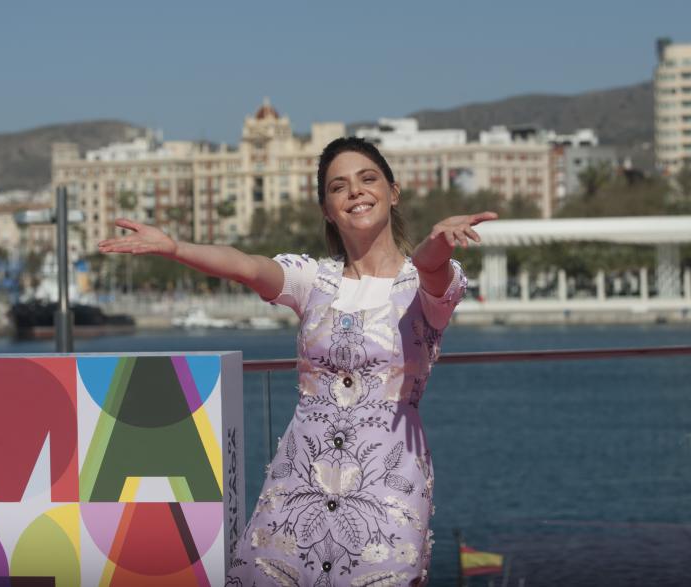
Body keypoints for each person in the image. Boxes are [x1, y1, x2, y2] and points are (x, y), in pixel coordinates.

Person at [98, 137, 497, 586]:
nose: (356, 192)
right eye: (338, 186)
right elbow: (246, 266)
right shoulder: (313, 279)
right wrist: (175, 248)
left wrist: (438, 242)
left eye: (368, 179)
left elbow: (431, 265)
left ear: (393, 191)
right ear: (327, 208)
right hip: (299, 479)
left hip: (389, 483)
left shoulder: (424, 285)